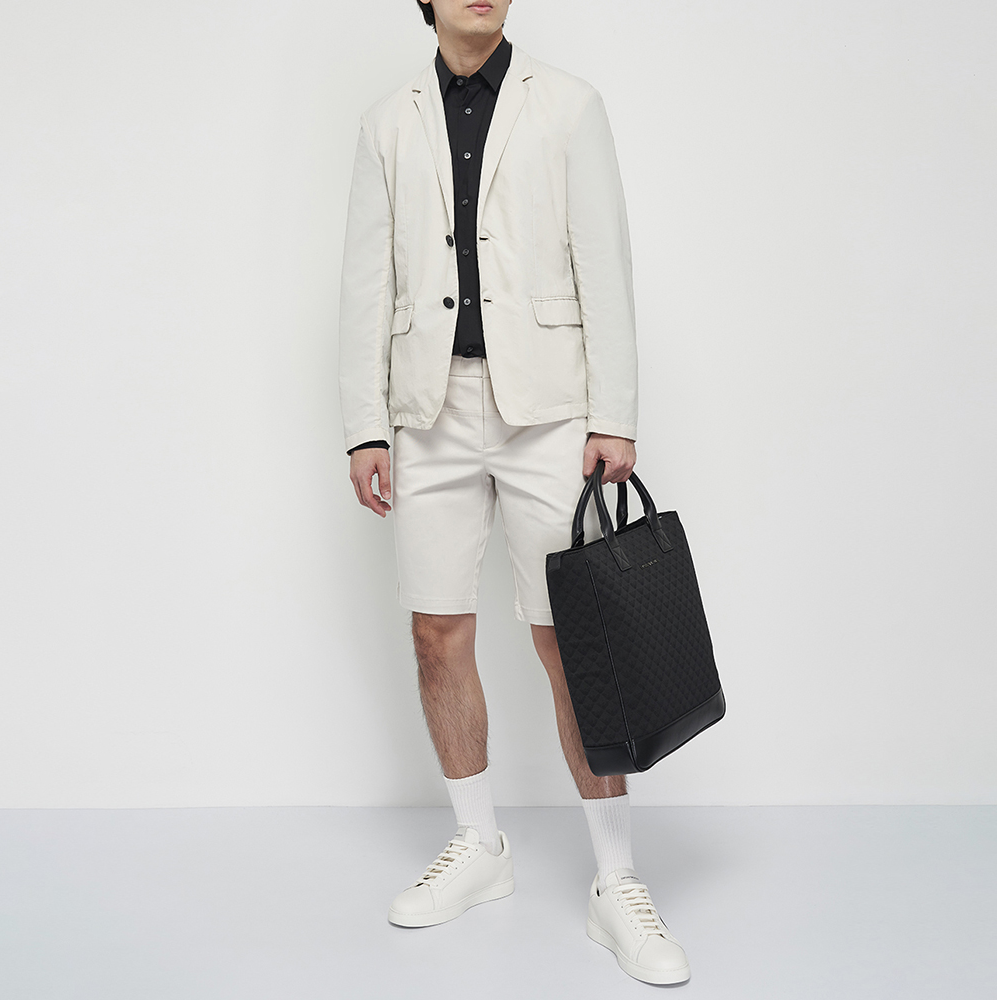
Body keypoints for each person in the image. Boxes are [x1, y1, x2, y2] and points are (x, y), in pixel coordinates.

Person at [338, 0, 690, 985]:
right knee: (436, 631)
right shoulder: (386, 122)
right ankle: (478, 845)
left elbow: (605, 265)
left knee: (571, 639)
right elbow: (365, 280)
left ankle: (616, 878)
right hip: (427, 410)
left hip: (550, 410)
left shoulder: (569, 104)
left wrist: (613, 415)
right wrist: (366, 424)